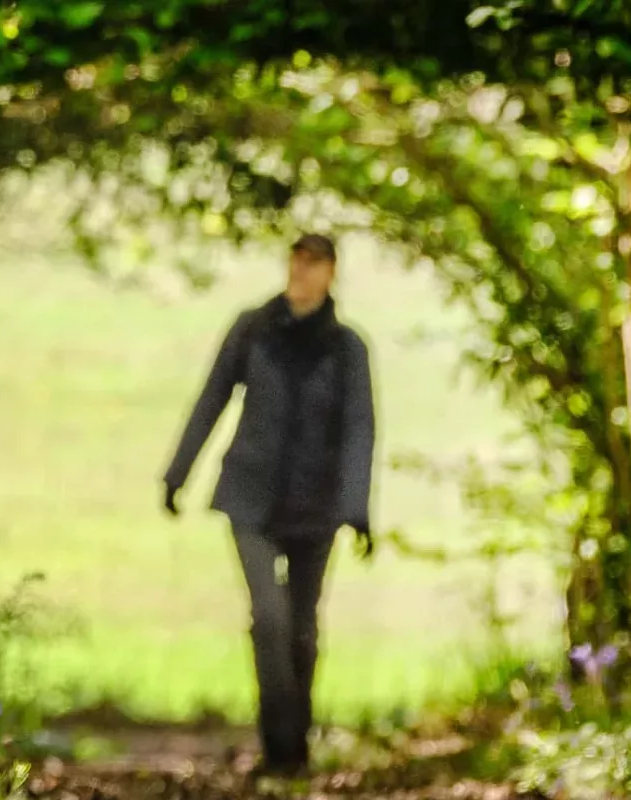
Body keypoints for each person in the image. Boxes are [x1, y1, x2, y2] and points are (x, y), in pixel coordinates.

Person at [160, 232, 376, 777]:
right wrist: (178, 473)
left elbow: (359, 429)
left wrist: (356, 508)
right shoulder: (253, 329)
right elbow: (212, 396)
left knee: (303, 626)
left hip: (317, 504)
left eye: (314, 265)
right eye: (296, 262)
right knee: (270, 618)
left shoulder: (346, 349)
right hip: (250, 495)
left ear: (331, 273)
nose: (302, 274)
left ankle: (294, 748)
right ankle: (275, 741)